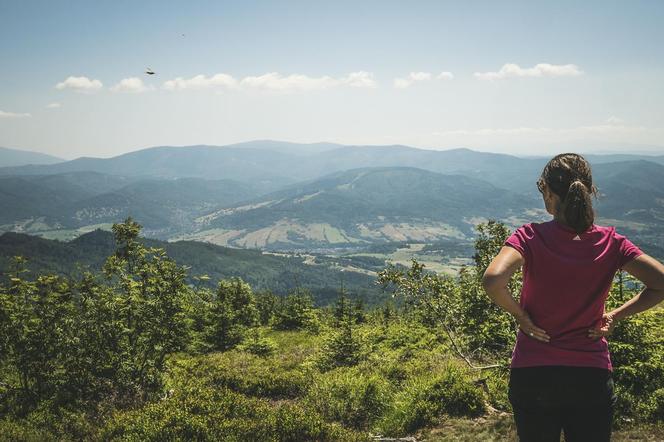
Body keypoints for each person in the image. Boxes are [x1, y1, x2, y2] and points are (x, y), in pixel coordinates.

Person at [482, 153, 664, 442]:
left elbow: (493, 280)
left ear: (549, 193)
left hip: (533, 373)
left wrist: (521, 316)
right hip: (589, 376)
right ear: (589, 191)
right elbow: (660, 282)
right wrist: (614, 315)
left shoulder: (531, 237)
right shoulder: (612, 243)